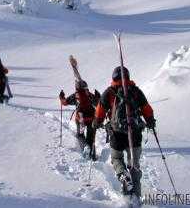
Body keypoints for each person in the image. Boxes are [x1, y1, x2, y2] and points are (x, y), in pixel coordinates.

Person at [93, 66, 156, 199]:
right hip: (135, 134)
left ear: (113, 77)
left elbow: (100, 111)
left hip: (117, 134)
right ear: (128, 76)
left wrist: (96, 122)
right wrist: (150, 121)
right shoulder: (135, 91)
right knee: (134, 165)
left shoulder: (109, 92)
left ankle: (123, 176)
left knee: (116, 158)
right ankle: (136, 197)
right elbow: (147, 109)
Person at [59, 80, 99, 160]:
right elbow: (98, 103)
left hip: (81, 120)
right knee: (90, 136)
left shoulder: (75, 95)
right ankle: (93, 155)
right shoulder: (89, 95)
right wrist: (98, 96)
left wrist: (61, 97)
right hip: (91, 119)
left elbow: (65, 102)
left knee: (80, 135)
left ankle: (85, 146)